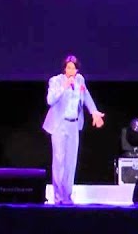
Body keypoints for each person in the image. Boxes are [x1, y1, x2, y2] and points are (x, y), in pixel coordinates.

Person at [42, 55, 104, 205]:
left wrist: (94, 112)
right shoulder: (56, 81)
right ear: (64, 68)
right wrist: (63, 87)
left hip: (73, 125)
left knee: (71, 161)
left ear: (77, 70)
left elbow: (86, 96)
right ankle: (58, 197)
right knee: (59, 161)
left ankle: (67, 196)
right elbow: (50, 100)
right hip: (59, 124)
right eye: (68, 68)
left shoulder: (80, 80)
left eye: (74, 68)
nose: (71, 71)